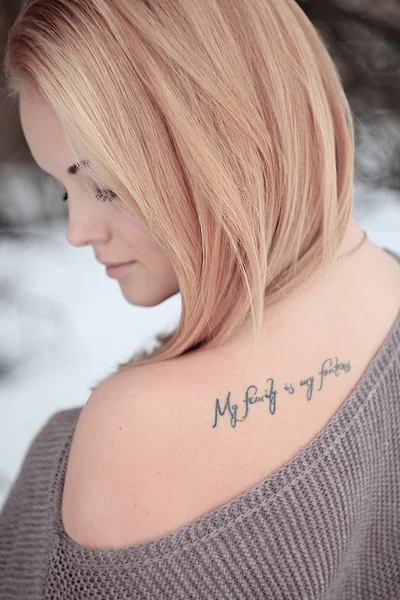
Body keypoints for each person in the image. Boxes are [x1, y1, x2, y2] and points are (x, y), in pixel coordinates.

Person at [1, 0, 399, 598]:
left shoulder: (133, 437)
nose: (77, 230)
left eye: (103, 184)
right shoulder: (385, 291)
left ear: (225, 139)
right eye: (64, 192)